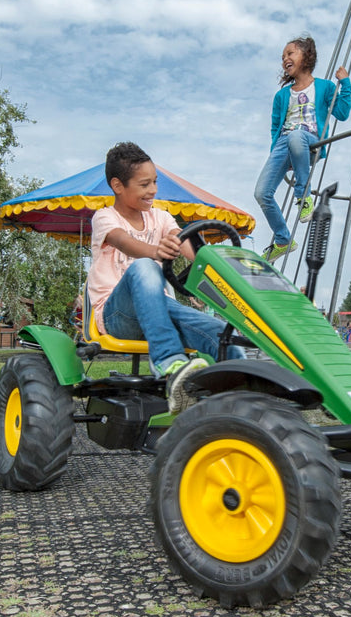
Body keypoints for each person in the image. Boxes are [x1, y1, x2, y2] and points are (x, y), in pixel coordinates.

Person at [87, 142, 243, 413]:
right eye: (145, 184)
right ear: (117, 185)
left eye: (155, 182)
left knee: (219, 333)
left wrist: (222, 263)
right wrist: (156, 251)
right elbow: (124, 242)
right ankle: (170, 364)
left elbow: (186, 246)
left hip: (159, 311)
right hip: (117, 316)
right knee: (145, 266)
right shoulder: (104, 218)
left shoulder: (160, 217)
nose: (154, 190)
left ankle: (241, 392)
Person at [253, 36, 351, 261]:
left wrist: (344, 82)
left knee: (297, 135)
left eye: (290, 54)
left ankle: (303, 196)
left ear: (306, 56)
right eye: (283, 57)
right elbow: (275, 126)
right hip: (283, 145)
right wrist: (276, 156)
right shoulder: (282, 95)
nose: (285, 59)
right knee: (261, 193)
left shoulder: (324, 87)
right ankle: (282, 239)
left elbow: (342, 113)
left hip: (308, 142)